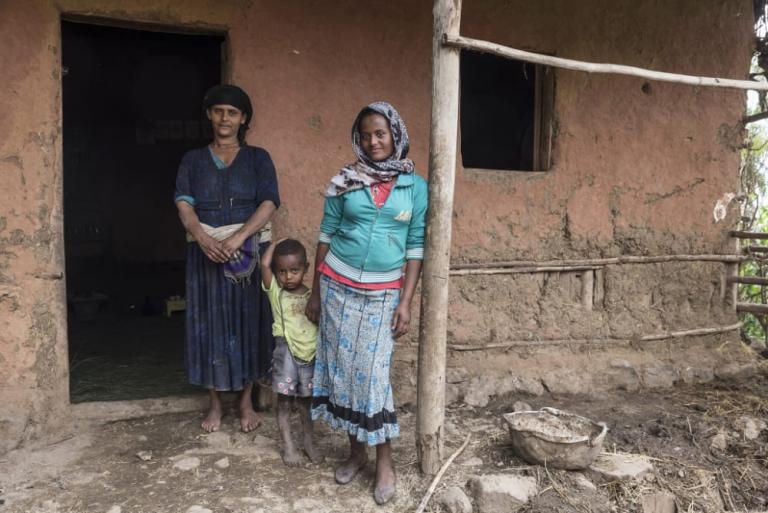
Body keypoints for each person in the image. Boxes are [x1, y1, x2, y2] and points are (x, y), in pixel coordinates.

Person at [305, 101, 427, 505]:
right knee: (344, 374)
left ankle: (384, 462)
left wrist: (405, 302)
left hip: (382, 295)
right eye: (365, 135)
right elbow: (325, 236)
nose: (373, 142)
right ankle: (355, 453)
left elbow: (414, 248)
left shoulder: (415, 187)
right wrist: (316, 292)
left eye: (380, 133)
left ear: (395, 134)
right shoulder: (345, 181)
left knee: (372, 378)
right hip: (338, 288)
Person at [174, 84, 280, 433]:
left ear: (243, 118)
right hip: (204, 251)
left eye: (232, 112)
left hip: (246, 251)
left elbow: (268, 203)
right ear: (209, 115)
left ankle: (246, 402)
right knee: (209, 323)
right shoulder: (193, 160)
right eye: (218, 110)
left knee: (247, 321)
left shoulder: (258, 158)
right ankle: (215, 403)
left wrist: (238, 237)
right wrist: (203, 237)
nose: (225, 118)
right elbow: (184, 203)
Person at [260, 238, 322, 466]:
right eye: (282, 271)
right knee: (285, 402)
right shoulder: (276, 294)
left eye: (294, 270)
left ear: (306, 268)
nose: (288, 277)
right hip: (285, 354)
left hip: (309, 356)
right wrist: (275, 244)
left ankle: (309, 442)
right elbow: (264, 265)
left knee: (306, 403)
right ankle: (288, 446)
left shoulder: (313, 298)